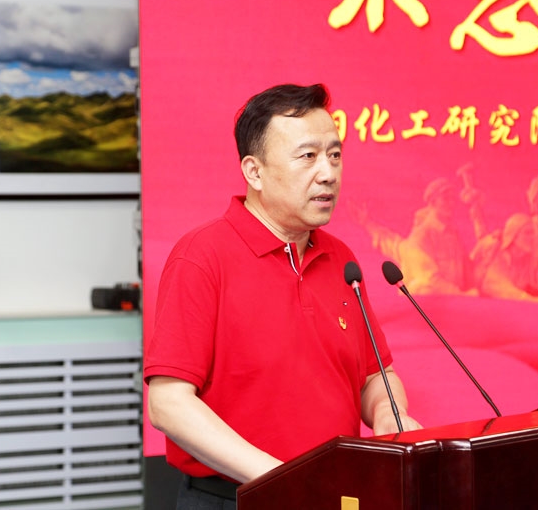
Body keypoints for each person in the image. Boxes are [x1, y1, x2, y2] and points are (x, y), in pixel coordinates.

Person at [144, 83, 421, 508]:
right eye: (308, 156)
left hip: (334, 496)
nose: (328, 173)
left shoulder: (341, 260)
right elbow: (167, 403)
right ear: (254, 172)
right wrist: (283, 480)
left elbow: (374, 377)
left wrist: (388, 414)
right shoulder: (202, 257)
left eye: (334, 155)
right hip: (235, 499)